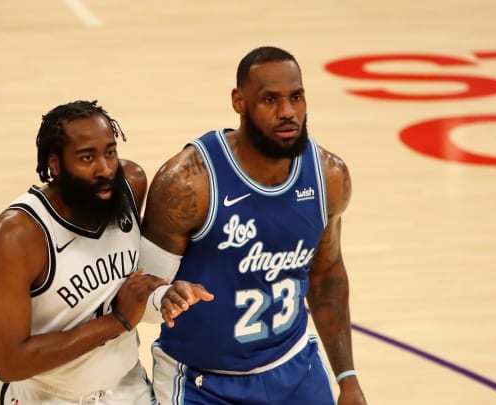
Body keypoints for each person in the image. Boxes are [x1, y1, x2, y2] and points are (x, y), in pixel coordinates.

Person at [138, 47, 368, 404]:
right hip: (202, 383)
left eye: (296, 97)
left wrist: (347, 377)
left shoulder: (329, 176)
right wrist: (166, 297)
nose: (288, 112)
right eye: (270, 100)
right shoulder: (187, 183)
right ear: (239, 102)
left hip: (295, 368)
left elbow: (326, 275)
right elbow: (144, 295)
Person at [0, 100, 166, 404]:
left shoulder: (131, 184)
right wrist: (117, 321)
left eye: (110, 152)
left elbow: (139, 284)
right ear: (55, 165)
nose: (105, 169)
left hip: (128, 388)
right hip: (48, 396)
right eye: (86, 158)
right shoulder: (18, 235)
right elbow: (9, 362)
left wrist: (169, 293)